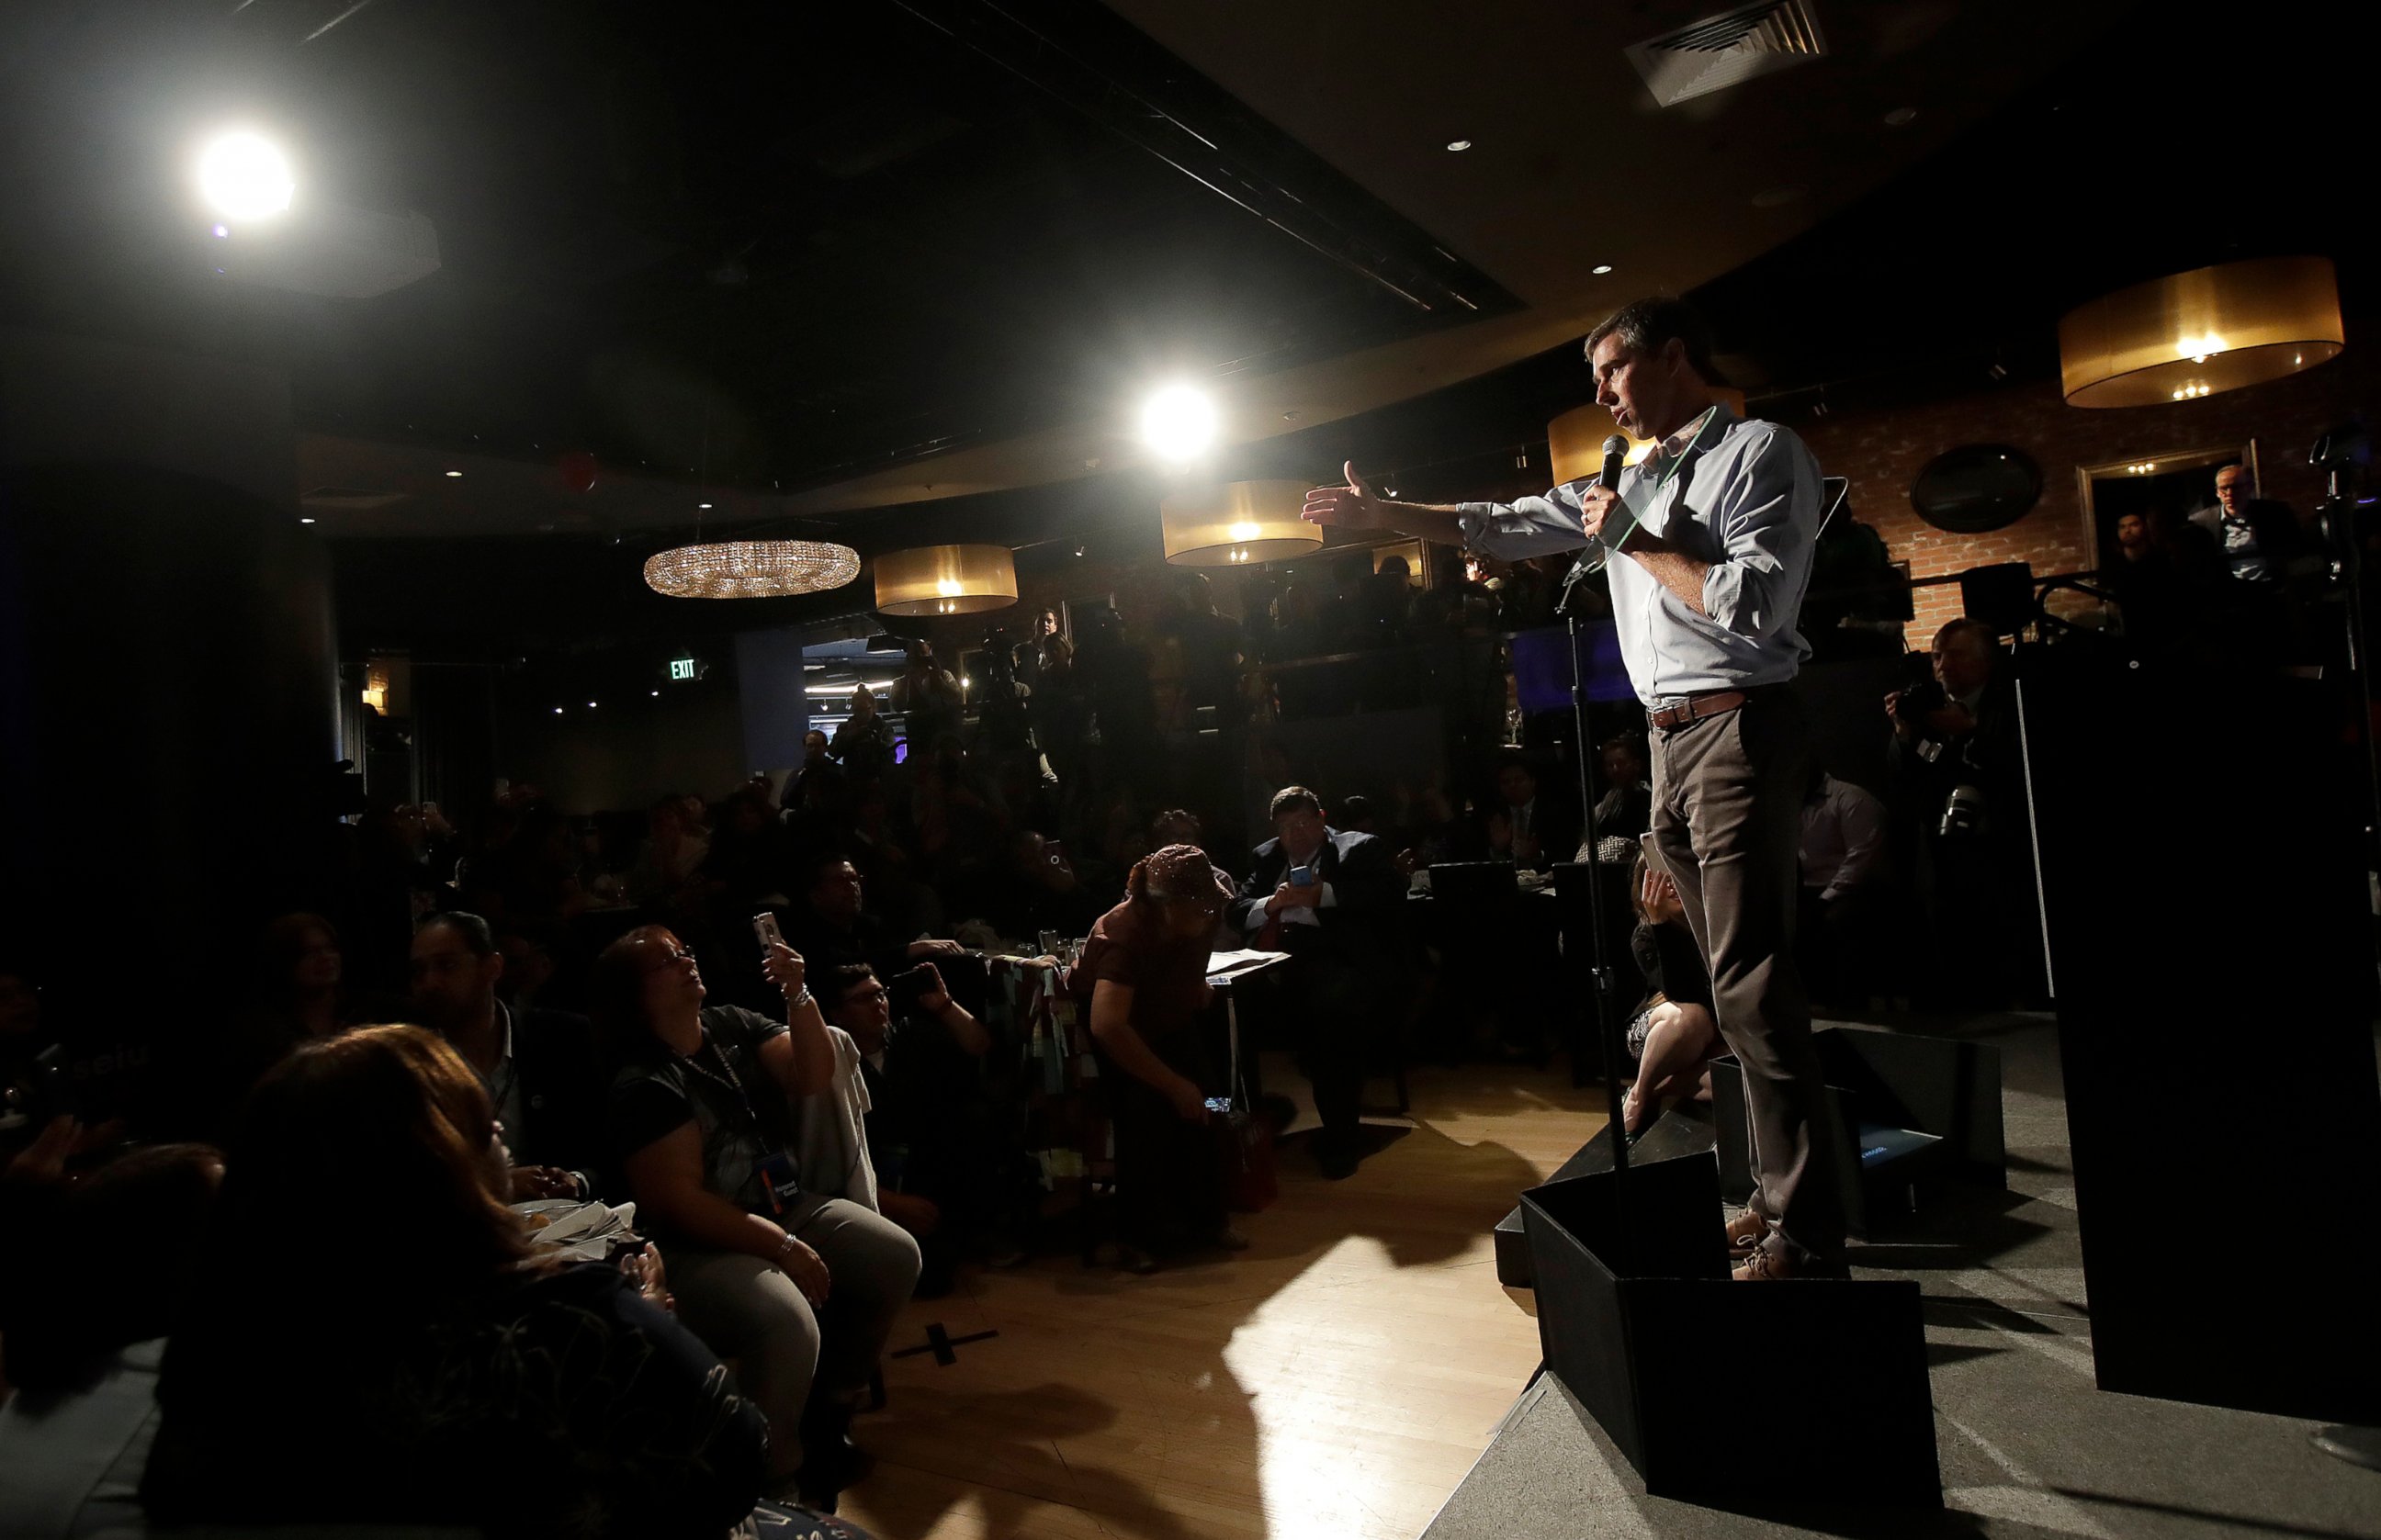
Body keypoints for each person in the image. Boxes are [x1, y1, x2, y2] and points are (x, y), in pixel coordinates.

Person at [1305, 296, 1843, 1279]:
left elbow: (1756, 608)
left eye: (1611, 370)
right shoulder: (1626, 472)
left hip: (1738, 725)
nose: (1597, 393)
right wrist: (1392, 514)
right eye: (1590, 380)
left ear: (1675, 355)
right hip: (1667, 742)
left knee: (1755, 988)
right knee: (1720, 986)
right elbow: (1508, 522)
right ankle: (1771, 1200)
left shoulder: (1759, 452)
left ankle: (1807, 1236)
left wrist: (1633, 540)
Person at [141, 1025, 770, 1537]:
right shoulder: (568, 1323)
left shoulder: (218, 1353)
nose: (500, 1136)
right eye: (482, 1127)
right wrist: (652, 1309)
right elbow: (736, 1458)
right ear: (438, 1164)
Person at [596, 925, 920, 1503]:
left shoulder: (730, 1025)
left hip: (780, 1203)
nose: (686, 960)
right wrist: (781, 1246)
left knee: (893, 1255)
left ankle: (832, 1408)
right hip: (698, 1244)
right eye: (667, 961)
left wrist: (798, 992)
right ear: (635, 993)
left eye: (685, 950)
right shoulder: (643, 1079)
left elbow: (814, 1075)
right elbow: (679, 1202)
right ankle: (772, 1478)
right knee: (784, 1316)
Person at [1068, 845, 1245, 1272]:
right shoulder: (1123, 934)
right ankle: (1138, 1237)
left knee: (1214, 1104)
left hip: (1172, 1024)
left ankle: (1208, 1219)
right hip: (1122, 1041)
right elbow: (1108, 1025)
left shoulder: (1208, 906)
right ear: (1166, 907)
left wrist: (1192, 986)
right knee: (1147, 1116)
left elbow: (1192, 958)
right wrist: (1173, 1084)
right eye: (1200, 910)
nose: (1210, 917)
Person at [1228, 787, 1405, 1178]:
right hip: (1274, 963)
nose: (1297, 833)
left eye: (1304, 822)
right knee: (1220, 1009)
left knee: (1330, 1014)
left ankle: (1341, 1139)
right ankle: (1236, 1127)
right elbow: (1237, 910)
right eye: (1287, 827)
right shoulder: (1267, 856)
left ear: (1322, 818)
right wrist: (1271, 904)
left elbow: (1389, 894)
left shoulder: (1357, 848)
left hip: (1338, 959)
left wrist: (1320, 896)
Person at [818, 961, 1005, 1296]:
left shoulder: (905, 1033)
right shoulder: (828, 1063)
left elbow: (978, 1044)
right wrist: (892, 1202)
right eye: (863, 999)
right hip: (872, 1184)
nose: (878, 1003)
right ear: (838, 1014)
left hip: (923, 1165)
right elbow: (831, 1157)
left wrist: (944, 1005)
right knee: (922, 1279)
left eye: (879, 994)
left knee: (974, 1117)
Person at [410, 911, 605, 1199]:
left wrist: (576, 1181)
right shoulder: (410, 1063)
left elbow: (610, 1145)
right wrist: (496, 1181)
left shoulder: (561, 1037)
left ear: (492, 967)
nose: (429, 983)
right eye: (418, 971)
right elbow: (407, 1180)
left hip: (570, 1226)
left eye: (446, 966)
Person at [1621, 856, 1719, 1143]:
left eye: (1676, 874)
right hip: (1659, 1030)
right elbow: (1684, 996)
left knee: (1741, 1077)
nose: (1670, 885)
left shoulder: (1714, 924)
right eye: (1659, 877)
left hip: (1712, 1035)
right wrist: (1661, 924)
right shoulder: (1645, 935)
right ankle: (1640, 1095)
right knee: (1692, 1018)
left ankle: (1653, 1089)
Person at [1797, 769, 1891, 1009]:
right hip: (1808, 890)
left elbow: (1861, 862)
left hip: (1855, 892)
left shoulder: (1851, 799)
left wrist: (1823, 900)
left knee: (1836, 919)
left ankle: (1845, 1002)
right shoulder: (1786, 805)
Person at [2190, 463, 2300, 584]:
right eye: (2224, 488)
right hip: (2228, 591)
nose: (2229, 493)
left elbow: (2296, 551)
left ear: (2250, 487)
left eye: (2236, 487)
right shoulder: (2202, 521)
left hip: (2272, 586)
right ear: (2217, 492)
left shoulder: (2275, 513)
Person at [1484, 754, 1580, 874]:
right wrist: (1497, 848)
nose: (1512, 785)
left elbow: (1568, 855)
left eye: (1519, 780)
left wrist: (1537, 854)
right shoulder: (1494, 816)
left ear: (1533, 781)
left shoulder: (1555, 812)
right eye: (1506, 782)